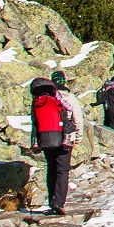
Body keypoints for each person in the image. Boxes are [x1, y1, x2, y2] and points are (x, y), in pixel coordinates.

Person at [29, 71, 84, 216]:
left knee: (51, 167)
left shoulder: (38, 99)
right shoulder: (67, 97)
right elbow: (77, 117)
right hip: (65, 137)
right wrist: (78, 135)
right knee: (62, 168)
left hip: (46, 137)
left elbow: (34, 121)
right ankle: (59, 202)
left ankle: (51, 200)